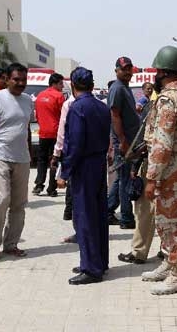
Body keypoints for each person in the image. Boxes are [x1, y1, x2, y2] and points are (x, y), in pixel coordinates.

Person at [141, 46, 177, 295]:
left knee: (174, 223)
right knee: (166, 219)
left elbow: (162, 143)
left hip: (168, 169)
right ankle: (169, 261)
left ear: (163, 71)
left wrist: (152, 178)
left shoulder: (168, 100)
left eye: (157, 71)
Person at [57, 67, 111, 285]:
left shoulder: (77, 108)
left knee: (85, 217)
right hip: (98, 163)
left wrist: (64, 171)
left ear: (72, 84)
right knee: (98, 215)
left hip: (84, 165)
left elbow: (75, 143)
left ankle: (91, 268)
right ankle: (99, 261)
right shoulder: (101, 106)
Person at [0, 63, 33, 260]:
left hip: (22, 158)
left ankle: (11, 244)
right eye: (16, 79)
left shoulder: (28, 101)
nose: (20, 83)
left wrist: (28, 152)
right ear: (7, 79)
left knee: (19, 204)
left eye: (23, 80)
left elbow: (25, 128)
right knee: (1, 200)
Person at [117, 99, 155, 265]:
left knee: (144, 210)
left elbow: (141, 141)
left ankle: (139, 252)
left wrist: (134, 165)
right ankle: (167, 251)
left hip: (153, 165)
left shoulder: (155, 105)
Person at [107, 56, 140, 229]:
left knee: (122, 178)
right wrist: (121, 141)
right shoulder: (117, 88)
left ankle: (107, 210)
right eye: (124, 69)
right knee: (125, 179)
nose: (128, 72)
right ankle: (126, 218)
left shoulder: (125, 88)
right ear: (116, 70)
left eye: (129, 68)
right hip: (124, 142)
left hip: (130, 140)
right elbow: (115, 115)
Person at [32, 73, 65, 197]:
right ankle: (51, 188)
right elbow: (63, 115)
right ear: (55, 83)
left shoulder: (40, 95)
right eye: (61, 84)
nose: (62, 86)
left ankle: (39, 184)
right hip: (55, 133)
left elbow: (37, 115)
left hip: (43, 133)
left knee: (41, 160)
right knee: (54, 160)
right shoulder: (59, 96)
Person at [52, 94, 76, 224]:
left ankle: (69, 211)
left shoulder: (69, 104)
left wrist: (57, 152)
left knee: (72, 180)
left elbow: (62, 132)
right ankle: (71, 211)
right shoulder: (95, 103)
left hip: (70, 149)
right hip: (85, 152)